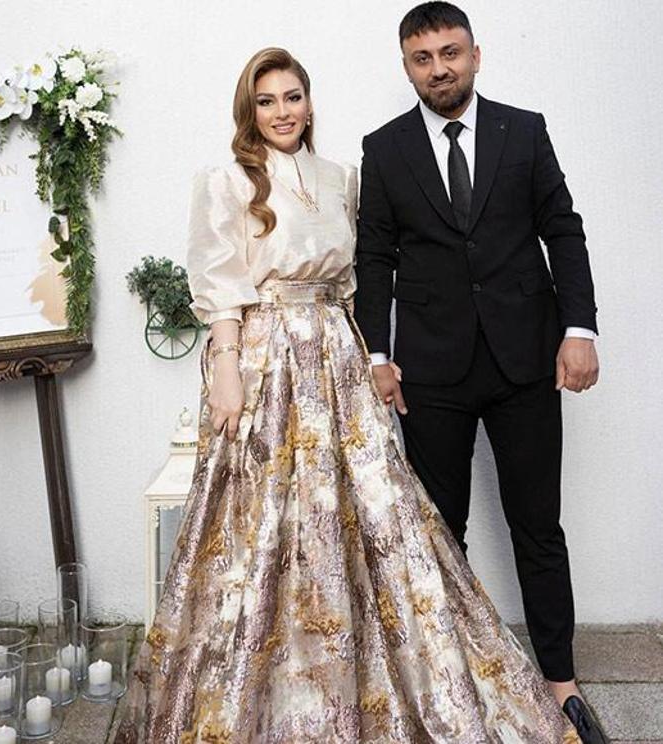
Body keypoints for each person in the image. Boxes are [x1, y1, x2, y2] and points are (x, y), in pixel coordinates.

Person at [115, 47, 579, 742]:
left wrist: (377, 359)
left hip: (337, 356)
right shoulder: (227, 180)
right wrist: (228, 367)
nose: (282, 112)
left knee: (363, 510)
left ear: (309, 103)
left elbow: (367, 273)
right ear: (249, 110)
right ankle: (261, 675)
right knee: (264, 519)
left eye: (292, 97)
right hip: (266, 358)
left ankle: (367, 665)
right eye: (266, 101)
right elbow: (219, 280)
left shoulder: (341, 178)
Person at [353, 3, 605, 742]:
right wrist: (377, 356)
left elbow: (562, 229)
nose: (439, 68)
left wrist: (579, 329)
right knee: (440, 532)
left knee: (538, 527)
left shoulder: (523, 131)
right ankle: (451, 680)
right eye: (423, 57)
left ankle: (561, 684)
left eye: (450, 52)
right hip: (431, 370)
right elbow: (375, 257)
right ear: (407, 66)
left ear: (475, 55)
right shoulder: (385, 148)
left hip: (527, 359)